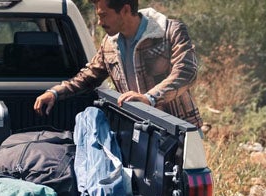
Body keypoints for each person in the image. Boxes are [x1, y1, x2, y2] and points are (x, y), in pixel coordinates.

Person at [33, 0, 202, 129]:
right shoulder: (110, 43)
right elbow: (89, 76)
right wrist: (55, 92)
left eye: (104, 15)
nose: (99, 23)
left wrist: (150, 98)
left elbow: (186, 72)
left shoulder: (170, 31)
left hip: (177, 128)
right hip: (140, 127)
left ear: (125, 10)